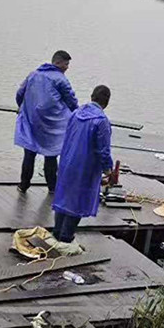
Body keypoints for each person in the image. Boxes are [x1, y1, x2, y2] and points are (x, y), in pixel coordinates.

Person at [52, 85, 114, 243]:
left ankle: (56, 233)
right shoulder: (101, 121)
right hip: (85, 167)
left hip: (67, 162)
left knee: (63, 199)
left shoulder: (76, 113)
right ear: (106, 102)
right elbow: (103, 150)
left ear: (92, 96)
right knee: (77, 203)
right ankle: (66, 238)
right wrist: (108, 170)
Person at [15, 50, 78, 193]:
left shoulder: (33, 75)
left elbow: (20, 93)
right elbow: (71, 101)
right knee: (51, 155)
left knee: (29, 153)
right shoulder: (61, 80)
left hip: (32, 122)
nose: (67, 67)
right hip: (52, 125)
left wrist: (21, 108)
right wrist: (78, 115)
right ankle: (52, 188)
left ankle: (23, 185)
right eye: (66, 64)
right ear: (58, 62)